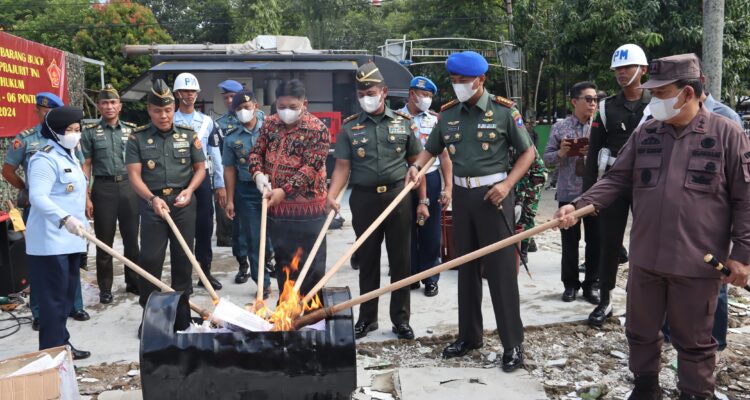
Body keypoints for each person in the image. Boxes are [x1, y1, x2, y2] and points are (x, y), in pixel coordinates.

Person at [555, 53, 750, 400]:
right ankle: (646, 389)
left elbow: (745, 200)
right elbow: (616, 179)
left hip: (697, 262)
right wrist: (578, 206)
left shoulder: (727, 134)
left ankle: (695, 393)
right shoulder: (647, 132)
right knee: (640, 331)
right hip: (646, 259)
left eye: (661, 94)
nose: (654, 101)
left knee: (694, 341)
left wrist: (742, 256)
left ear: (687, 93)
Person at [406, 51, 535, 372]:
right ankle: (470, 335)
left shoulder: (504, 112)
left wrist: (507, 186)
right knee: (466, 268)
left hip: (494, 197)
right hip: (461, 198)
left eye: (464, 81)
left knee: (502, 272)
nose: (458, 86)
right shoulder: (447, 115)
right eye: (454, 81)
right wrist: (416, 168)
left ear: (481, 80)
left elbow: (528, 152)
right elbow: (431, 149)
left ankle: (512, 343)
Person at [328, 62, 420, 340]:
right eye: (361, 92)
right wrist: (332, 196)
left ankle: (401, 320)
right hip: (364, 199)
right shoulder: (350, 128)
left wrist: (416, 171)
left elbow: (416, 160)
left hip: (397, 198)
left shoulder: (402, 124)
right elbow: (342, 167)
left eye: (371, 91)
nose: (366, 97)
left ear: (384, 92)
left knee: (400, 260)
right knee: (367, 259)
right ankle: (367, 319)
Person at [661, 69, 746, 355]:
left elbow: (740, 186)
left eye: (666, 90)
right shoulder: (664, 120)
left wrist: (742, 249)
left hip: (711, 228)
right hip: (675, 226)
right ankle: (673, 335)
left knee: (712, 287)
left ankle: (714, 341)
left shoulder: (727, 120)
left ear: (692, 88)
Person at [3, 92, 89, 330]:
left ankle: (74, 308)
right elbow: (9, 170)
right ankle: (42, 315)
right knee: (46, 274)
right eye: (46, 112)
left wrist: (84, 203)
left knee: (71, 269)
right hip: (45, 215)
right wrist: (25, 190)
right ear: (39, 112)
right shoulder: (29, 141)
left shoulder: (69, 144)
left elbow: (80, 171)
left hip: (70, 220)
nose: (74, 132)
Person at [125, 79, 206, 322]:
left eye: (168, 110)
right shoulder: (136, 138)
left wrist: (190, 190)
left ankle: (182, 314)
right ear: (149, 110)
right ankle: (152, 318)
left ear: (174, 108)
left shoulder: (189, 135)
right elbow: (134, 176)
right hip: (153, 206)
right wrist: (152, 199)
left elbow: (200, 169)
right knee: (151, 260)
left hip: (183, 203)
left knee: (183, 259)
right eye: (158, 110)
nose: (163, 115)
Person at [583, 44, 650, 326]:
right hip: (614, 182)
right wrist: (589, 195)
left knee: (647, 242)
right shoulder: (605, 107)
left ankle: (644, 300)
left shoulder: (658, 103)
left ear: (643, 70)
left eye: (627, 68)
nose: (621, 74)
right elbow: (593, 151)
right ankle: (606, 299)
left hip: (650, 183)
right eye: (618, 69)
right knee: (609, 242)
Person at [249, 80, 330, 297]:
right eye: (281, 106)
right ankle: (285, 311)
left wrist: (283, 190)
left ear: (305, 103)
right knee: (284, 264)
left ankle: (312, 316)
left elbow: (310, 168)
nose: (286, 112)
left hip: (309, 213)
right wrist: (257, 173)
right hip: (277, 211)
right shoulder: (269, 124)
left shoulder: (318, 130)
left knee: (311, 267)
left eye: (293, 107)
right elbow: (257, 152)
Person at [26, 105, 91, 360]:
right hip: (50, 242)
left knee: (65, 300)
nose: (74, 134)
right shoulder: (44, 158)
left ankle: (62, 345)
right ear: (54, 132)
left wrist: (82, 222)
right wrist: (65, 218)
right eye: (69, 130)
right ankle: (52, 355)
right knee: (52, 303)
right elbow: (38, 197)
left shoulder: (71, 155)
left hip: (72, 240)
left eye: (77, 129)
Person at [81, 84, 140, 304]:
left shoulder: (132, 131)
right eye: (105, 103)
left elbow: (139, 164)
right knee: (104, 242)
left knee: (132, 240)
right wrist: (85, 196)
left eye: (113, 102)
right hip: (103, 189)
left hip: (128, 187)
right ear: (99, 106)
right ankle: (105, 288)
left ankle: (133, 282)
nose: (109, 106)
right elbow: (86, 165)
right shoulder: (90, 133)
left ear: (120, 106)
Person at [544, 81, 600, 305]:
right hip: (568, 193)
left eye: (595, 99)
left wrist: (595, 151)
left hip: (595, 193)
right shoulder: (560, 127)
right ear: (574, 101)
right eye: (588, 99)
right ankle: (570, 285)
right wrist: (561, 152)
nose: (593, 104)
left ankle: (592, 285)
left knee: (596, 242)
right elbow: (546, 160)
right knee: (569, 243)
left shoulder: (600, 126)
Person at [400, 76, 453, 297]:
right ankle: (409, 275)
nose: (427, 100)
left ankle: (431, 277)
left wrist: (448, 186)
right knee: (404, 229)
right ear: (412, 94)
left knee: (430, 230)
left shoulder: (435, 120)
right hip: (402, 181)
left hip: (430, 179)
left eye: (430, 96)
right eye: (424, 95)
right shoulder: (396, 119)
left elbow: (445, 156)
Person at [173, 72, 225, 290]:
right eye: (185, 91)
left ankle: (205, 272)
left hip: (202, 180)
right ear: (176, 94)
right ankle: (183, 277)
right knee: (181, 230)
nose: (189, 95)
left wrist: (220, 184)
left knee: (204, 228)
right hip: (176, 180)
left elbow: (215, 154)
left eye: (192, 91)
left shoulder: (207, 122)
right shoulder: (169, 119)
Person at [222, 90, 272, 298]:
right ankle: (263, 282)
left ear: (256, 107)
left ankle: (275, 266)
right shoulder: (231, 138)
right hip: (247, 192)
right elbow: (229, 170)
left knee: (276, 235)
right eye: (239, 109)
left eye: (247, 107)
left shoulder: (271, 130)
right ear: (234, 112)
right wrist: (230, 200)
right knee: (254, 238)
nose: (244, 111)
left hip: (274, 188)